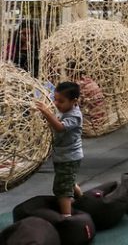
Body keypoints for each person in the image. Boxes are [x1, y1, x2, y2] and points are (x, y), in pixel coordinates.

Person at [35, 81, 83, 216]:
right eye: (55, 99)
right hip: (62, 156)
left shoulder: (75, 115)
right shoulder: (65, 109)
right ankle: (83, 200)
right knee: (68, 181)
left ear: (74, 101)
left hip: (70, 157)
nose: (56, 103)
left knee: (62, 189)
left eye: (61, 101)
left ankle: (67, 218)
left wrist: (46, 112)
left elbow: (60, 127)